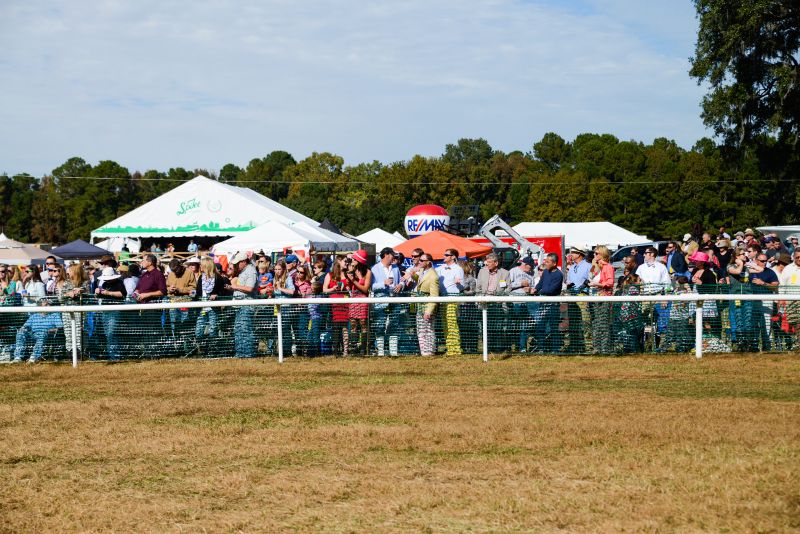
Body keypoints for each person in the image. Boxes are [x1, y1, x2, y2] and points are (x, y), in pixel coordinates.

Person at [476, 253, 510, 353]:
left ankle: (498, 348)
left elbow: (508, 288)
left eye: (489, 262)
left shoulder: (505, 273)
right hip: (484, 304)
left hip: (498, 305)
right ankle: (487, 348)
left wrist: (501, 296)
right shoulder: (482, 271)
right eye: (486, 262)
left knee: (498, 327)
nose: (487, 264)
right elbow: (478, 287)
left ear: (496, 263)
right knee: (484, 326)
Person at [193, 256, 228, 355]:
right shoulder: (201, 277)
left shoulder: (218, 278)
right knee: (198, 331)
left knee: (213, 330)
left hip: (213, 309)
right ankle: (202, 349)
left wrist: (216, 295)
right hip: (202, 308)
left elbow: (223, 292)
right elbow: (198, 292)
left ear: (206, 266)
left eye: (201, 265)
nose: (200, 266)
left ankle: (213, 350)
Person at [370, 247, 401, 355]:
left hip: (395, 301)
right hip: (380, 302)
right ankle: (381, 352)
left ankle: (393, 352)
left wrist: (401, 285)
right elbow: (372, 286)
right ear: (387, 255)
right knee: (380, 325)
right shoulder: (374, 268)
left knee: (394, 325)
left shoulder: (396, 268)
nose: (394, 257)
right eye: (393, 255)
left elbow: (401, 281)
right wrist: (384, 283)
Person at [225, 252, 257, 358]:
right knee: (238, 329)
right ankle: (240, 353)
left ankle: (248, 354)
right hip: (239, 305)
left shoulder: (251, 271)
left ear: (243, 262)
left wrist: (234, 286)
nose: (236, 265)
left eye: (238, 263)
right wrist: (232, 287)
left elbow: (250, 288)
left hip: (247, 305)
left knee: (245, 329)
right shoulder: (242, 272)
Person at [530, 253, 564, 352]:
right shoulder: (545, 272)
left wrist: (539, 292)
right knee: (540, 326)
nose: (545, 263)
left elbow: (552, 290)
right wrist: (535, 289)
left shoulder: (559, 275)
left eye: (548, 261)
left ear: (554, 263)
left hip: (553, 304)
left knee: (553, 327)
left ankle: (555, 349)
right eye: (546, 261)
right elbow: (541, 283)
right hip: (543, 303)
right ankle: (541, 348)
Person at [434, 248, 464, 356]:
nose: (444, 256)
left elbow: (462, 286)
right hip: (442, 298)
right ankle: (449, 348)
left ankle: (455, 349)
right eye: (444, 254)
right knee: (445, 324)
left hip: (452, 298)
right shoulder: (440, 268)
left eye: (447, 254)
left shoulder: (458, 269)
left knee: (452, 323)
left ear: (453, 257)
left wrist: (458, 283)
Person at [11, 300, 62, 364]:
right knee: (20, 333)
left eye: (49, 304)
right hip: (33, 334)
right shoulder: (34, 316)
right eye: (46, 305)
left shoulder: (55, 315)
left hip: (47, 335)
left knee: (42, 334)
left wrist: (49, 330)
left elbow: (59, 328)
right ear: (40, 307)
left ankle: (34, 357)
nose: (48, 306)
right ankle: (18, 357)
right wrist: (22, 329)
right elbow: (25, 326)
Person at [94, 266, 127, 361]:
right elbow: (100, 295)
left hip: (115, 311)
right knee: (107, 334)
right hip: (105, 311)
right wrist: (98, 292)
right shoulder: (104, 283)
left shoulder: (119, 283)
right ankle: (111, 354)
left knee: (111, 333)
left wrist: (108, 293)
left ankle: (115, 355)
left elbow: (122, 294)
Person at [588, 246, 615, 354]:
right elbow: (590, 275)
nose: (594, 255)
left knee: (603, 324)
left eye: (596, 253)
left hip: (604, 298)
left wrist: (596, 284)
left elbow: (610, 283)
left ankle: (604, 349)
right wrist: (593, 266)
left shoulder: (608, 267)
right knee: (597, 323)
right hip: (598, 297)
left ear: (602, 254)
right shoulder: (599, 267)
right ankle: (598, 348)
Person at [323, 255, 352, 356]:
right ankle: (335, 351)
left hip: (345, 305)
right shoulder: (330, 275)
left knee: (345, 328)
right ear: (339, 261)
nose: (347, 263)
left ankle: (345, 351)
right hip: (334, 306)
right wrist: (333, 289)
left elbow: (352, 289)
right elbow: (324, 289)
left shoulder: (348, 275)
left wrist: (348, 288)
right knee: (335, 328)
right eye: (345, 261)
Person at [58, 263, 89, 356]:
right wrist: (68, 294)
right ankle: (69, 352)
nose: (68, 273)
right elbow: (60, 298)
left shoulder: (85, 282)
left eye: (70, 271)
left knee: (78, 333)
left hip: (79, 312)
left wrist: (79, 291)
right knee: (68, 333)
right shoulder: (66, 282)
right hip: (66, 311)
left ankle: (79, 353)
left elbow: (87, 293)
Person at [565, 247, 591, 353]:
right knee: (573, 321)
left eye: (573, 253)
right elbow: (568, 280)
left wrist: (582, 285)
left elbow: (590, 279)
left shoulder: (589, 266)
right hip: (572, 296)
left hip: (583, 296)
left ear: (579, 254)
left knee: (585, 321)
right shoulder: (571, 268)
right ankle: (575, 344)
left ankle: (588, 346)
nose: (571, 254)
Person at [508, 256, 536, 352]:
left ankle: (522, 347)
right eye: (530, 266)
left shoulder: (531, 273)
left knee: (524, 326)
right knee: (514, 325)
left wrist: (531, 290)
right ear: (525, 264)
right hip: (515, 303)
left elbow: (533, 286)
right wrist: (520, 284)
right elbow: (507, 286)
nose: (531, 268)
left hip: (526, 303)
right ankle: (512, 346)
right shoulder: (513, 271)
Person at [347, 250, 372, 355]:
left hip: (363, 300)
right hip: (353, 299)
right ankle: (353, 346)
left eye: (354, 259)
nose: (352, 260)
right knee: (353, 324)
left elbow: (366, 289)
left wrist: (355, 280)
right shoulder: (351, 269)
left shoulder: (368, 272)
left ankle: (363, 348)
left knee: (363, 324)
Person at [414, 253, 439, 356]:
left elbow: (434, 296)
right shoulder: (421, 271)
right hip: (420, 306)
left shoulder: (433, 276)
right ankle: (424, 352)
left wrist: (429, 311)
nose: (419, 262)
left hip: (427, 306)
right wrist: (412, 275)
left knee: (428, 330)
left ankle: (429, 352)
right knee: (420, 329)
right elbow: (420, 282)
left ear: (428, 262)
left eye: (421, 260)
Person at [166, 258, 196, 336]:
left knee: (184, 325)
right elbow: (166, 288)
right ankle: (175, 343)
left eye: (176, 270)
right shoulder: (171, 274)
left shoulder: (189, 273)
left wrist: (180, 290)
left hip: (185, 302)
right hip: (173, 302)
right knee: (174, 324)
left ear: (180, 266)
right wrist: (170, 289)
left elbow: (194, 290)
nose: (175, 272)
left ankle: (185, 344)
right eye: (173, 271)